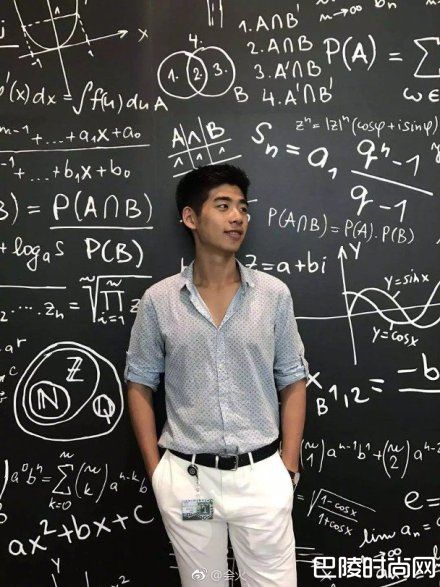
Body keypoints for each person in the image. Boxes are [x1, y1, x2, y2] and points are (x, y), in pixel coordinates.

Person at [124, 163, 310, 586]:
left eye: (242, 207)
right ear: (191, 217)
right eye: (223, 206)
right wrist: (158, 474)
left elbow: (293, 380)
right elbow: (139, 383)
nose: (237, 217)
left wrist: (288, 467)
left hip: (261, 479)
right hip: (190, 485)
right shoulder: (159, 300)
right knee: (203, 582)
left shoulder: (273, 295)